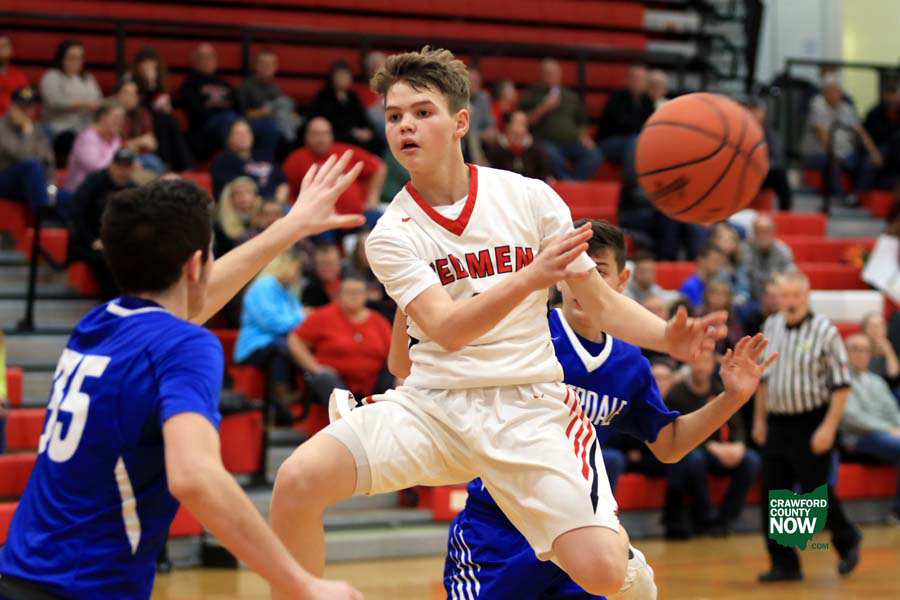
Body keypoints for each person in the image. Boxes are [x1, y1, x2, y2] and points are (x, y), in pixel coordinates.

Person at [268, 47, 729, 599]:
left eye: (422, 112)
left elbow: (601, 304)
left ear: (461, 122)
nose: (405, 125)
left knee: (603, 573)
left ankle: (625, 563)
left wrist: (666, 337)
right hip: (433, 405)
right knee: (297, 480)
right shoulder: (391, 233)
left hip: (525, 405)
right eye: (394, 116)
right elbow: (448, 330)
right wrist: (531, 276)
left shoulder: (530, 198)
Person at [0, 150, 367, 600]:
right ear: (195, 265)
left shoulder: (98, 325)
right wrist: (302, 583)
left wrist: (288, 227)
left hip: (19, 574)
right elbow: (194, 476)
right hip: (82, 589)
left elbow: (192, 299)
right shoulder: (184, 344)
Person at [385, 219, 772, 597]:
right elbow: (404, 365)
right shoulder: (524, 333)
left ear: (622, 281)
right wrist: (411, 297)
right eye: (573, 270)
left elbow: (669, 444)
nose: (582, 283)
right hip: (499, 532)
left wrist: (733, 398)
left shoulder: (629, 364)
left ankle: (620, 556)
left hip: (580, 536)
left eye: (597, 272)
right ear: (557, 279)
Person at [753, 271, 862, 581]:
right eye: (783, 296)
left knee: (815, 493)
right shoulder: (771, 326)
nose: (789, 302)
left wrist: (828, 428)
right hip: (778, 421)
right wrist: (760, 420)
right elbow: (763, 380)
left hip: (812, 421)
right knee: (775, 494)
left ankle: (847, 538)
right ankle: (785, 564)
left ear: (806, 296)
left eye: (794, 295)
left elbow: (841, 386)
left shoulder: (826, 332)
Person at [664, 351, 761, 538]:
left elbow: (736, 423)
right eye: (696, 361)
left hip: (722, 450)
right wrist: (710, 446)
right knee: (694, 460)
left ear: (712, 365)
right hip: (692, 451)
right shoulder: (677, 394)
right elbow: (674, 433)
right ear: (688, 364)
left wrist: (739, 444)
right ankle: (705, 518)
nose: (701, 366)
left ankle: (725, 519)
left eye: (706, 361)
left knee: (751, 460)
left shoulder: (721, 390)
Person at [288, 273, 393, 405]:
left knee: (392, 377)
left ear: (365, 295)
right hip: (335, 382)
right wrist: (315, 367)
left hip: (374, 384)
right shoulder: (323, 316)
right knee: (324, 378)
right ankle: (346, 414)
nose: (353, 296)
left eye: (358, 292)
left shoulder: (379, 321)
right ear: (339, 295)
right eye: (348, 292)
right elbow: (295, 340)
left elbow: (394, 352)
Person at [234, 252, 305, 425]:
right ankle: (282, 394)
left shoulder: (287, 291)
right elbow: (270, 322)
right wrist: (301, 316)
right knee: (281, 348)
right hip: (254, 346)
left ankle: (296, 398)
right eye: (297, 270)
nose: (298, 275)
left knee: (294, 347)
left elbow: (299, 319)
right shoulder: (265, 285)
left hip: (277, 341)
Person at [175, 43, 277, 162]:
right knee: (228, 119)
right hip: (207, 128)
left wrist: (240, 122)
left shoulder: (225, 84)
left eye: (211, 57)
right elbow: (196, 113)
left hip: (234, 121)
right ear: (195, 61)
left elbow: (240, 109)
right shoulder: (189, 84)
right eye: (203, 57)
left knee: (266, 125)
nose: (208, 60)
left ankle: (265, 166)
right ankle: (237, 163)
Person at [840, 333, 900, 524]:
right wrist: (888, 429)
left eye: (865, 350)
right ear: (845, 352)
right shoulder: (840, 380)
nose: (861, 354)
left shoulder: (877, 381)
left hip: (886, 438)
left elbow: (893, 412)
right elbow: (851, 418)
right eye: (855, 349)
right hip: (857, 439)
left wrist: (897, 428)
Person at [283, 117, 386, 228]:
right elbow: (287, 192)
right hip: (320, 222)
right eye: (315, 134)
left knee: (385, 224)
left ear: (331, 136)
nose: (320, 139)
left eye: (325, 134)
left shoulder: (345, 151)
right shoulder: (296, 159)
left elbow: (379, 167)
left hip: (357, 215)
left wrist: (372, 197)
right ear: (306, 137)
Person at [67, 148, 139, 299]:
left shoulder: (134, 190)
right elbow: (77, 215)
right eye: (120, 167)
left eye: (127, 167)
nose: (123, 172)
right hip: (88, 242)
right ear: (112, 166)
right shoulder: (94, 183)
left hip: (120, 244)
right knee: (104, 259)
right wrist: (92, 241)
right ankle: (112, 300)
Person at [801, 74, 881, 208]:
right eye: (832, 90)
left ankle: (856, 196)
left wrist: (873, 152)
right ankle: (837, 201)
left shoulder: (846, 108)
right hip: (818, 153)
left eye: (838, 90)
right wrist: (834, 156)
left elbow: (861, 132)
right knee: (832, 162)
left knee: (866, 160)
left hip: (844, 152)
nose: (835, 94)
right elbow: (824, 137)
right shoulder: (817, 106)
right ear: (824, 92)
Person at [520, 58, 601, 181]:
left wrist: (583, 137)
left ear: (560, 74)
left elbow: (581, 122)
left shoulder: (571, 96)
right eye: (547, 72)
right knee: (549, 153)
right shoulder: (532, 94)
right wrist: (544, 107)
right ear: (541, 75)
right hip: (545, 140)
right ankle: (568, 182)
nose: (551, 75)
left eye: (554, 72)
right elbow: (524, 122)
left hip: (572, 141)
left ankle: (572, 183)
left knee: (594, 154)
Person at [127, 46, 192, 172]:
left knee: (168, 119)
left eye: (151, 62)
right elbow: (135, 104)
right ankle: (175, 163)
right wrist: (149, 84)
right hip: (135, 118)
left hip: (156, 119)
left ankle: (182, 165)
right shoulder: (130, 79)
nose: (148, 66)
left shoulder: (159, 81)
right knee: (163, 119)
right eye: (144, 62)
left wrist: (153, 84)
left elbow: (162, 103)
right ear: (137, 65)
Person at [39, 39, 102, 164]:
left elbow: (98, 99)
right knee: (71, 138)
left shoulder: (87, 78)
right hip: (59, 129)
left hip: (86, 128)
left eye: (79, 58)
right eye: (71, 57)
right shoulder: (52, 76)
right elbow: (54, 101)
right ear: (62, 58)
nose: (76, 61)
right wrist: (84, 104)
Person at [0, 86, 60, 214]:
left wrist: (51, 189)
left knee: (68, 198)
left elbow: (48, 162)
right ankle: (43, 216)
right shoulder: (2, 128)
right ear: (12, 107)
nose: (27, 112)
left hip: (33, 184)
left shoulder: (38, 129)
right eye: (23, 108)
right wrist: (27, 133)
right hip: (6, 180)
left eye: (30, 108)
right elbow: (24, 157)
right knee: (31, 166)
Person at [306, 60, 381, 155]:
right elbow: (327, 122)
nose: (344, 79)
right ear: (333, 78)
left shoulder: (352, 97)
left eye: (347, 76)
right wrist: (352, 132)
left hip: (357, 134)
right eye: (341, 76)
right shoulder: (323, 97)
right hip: (337, 135)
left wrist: (367, 130)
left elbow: (363, 117)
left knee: (376, 140)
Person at [211, 118, 289, 203]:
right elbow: (238, 191)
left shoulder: (263, 156)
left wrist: (278, 202)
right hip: (247, 206)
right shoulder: (223, 161)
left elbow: (282, 182)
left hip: (275, 205)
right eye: (238, 133)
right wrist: (265, 203)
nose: (244, 136)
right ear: (228, 138)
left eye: (247, 132)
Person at [238, 50, 300, 147]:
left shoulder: (275, 88)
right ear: (256, 65)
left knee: (299, 124)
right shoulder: (245, 87)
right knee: (271, 126)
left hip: (277, 122)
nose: (267, 67)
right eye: (264, 63)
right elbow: (243, 114)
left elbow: (282, 108)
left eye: (271, 64)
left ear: (275, 67)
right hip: (255, 126)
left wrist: (290, 115)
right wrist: (265, 112)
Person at [595, 65, 653, 166]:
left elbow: (651, 124)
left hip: (635, 141)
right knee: (635, 142)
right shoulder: (617, 98)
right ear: (628, 80)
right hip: (609, 142)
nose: (637, 82)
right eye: (634, 78)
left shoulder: (647, 101)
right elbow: (623, 125)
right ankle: (631, 176)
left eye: (641, 79)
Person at [62, 101, 127, 193]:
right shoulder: (87, 137)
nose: (120, 123)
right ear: (102, 118)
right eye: (116, 118)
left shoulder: (116, 138)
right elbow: (96, 169)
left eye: (122, 119)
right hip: (79, 192)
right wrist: (120, 164)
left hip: (104, 191)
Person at [746, 97, 793, 211]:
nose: (753, 113)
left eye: (756, 110)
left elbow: (777, 158)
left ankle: (785, 212)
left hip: (763, 173)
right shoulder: (740, 131)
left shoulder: (770, 134)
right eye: (750, 109)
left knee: (780, 174)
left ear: (763, 113)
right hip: (745, 172)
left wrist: (761, 167)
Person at [482, 109, 553, 181]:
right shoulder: (495, 149)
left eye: (524, 123)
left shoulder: (536, 149)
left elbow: (544, 173)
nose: (521, 127)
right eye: (517, 123)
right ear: (508, 125)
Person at [742, 214, 795, 304]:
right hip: (749, 299)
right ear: (754, 233)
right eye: (759, 231)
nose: (763, 235)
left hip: (776, 299)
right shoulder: (744, 250)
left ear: (774, 232)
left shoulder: (783, 251)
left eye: (767, 231)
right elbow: (742, 278)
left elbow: (790, 276)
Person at [116, 79, 165, 176]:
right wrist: (137, 142)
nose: (131, 97)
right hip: (118, 156)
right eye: (127, 93)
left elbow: (151, 144)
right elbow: (113, 146)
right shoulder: (112, 115)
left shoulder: (143, 114)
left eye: (134, 94)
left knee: (155, 162)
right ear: (118, 95)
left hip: (140, 155)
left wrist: (132, 144)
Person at [214, 176, 263, 256]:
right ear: (230, 198)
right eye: (237, 193)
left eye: (247, 192)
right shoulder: (220, 225)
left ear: (255, 195)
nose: (243, 196)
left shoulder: (264, 216)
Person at [677, 244, 727, 310]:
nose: (719, 266)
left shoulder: (713, 284)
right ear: (701, 260)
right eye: (715, 261)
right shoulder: (690, 286)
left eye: (721, 262)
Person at [860, 311, 900, 388]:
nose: (876, 329)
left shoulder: (892, 345)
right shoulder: (857, 346)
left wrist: (888, 350)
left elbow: (894, 375)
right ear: (864, 329)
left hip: (888, 388)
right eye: (872, 326)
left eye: (880, 326)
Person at [300, 243, 342, 308]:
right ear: (315, 266)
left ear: (339, 263)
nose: (326, 268)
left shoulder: (350, 282)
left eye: (330, 263)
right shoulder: (309, 291)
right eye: (321, 264)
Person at [0, 33, 28, 116]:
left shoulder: (18, 74)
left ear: (11, 50)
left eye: (4, 46)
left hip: (16, 118)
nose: (1, 50)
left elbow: (27, 97)